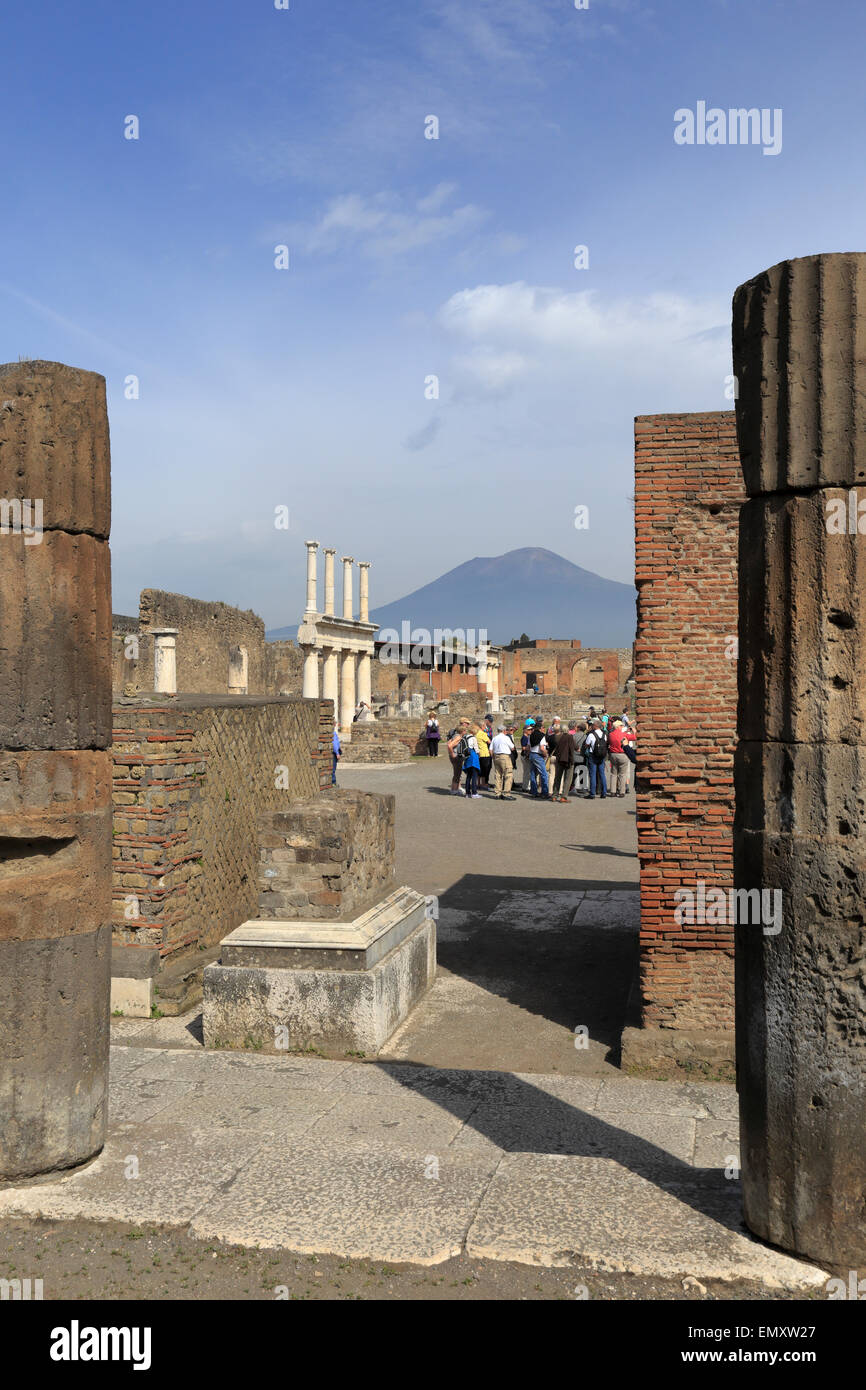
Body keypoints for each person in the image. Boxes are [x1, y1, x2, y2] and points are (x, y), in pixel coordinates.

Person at [490, 725, 516, 799]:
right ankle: (506, 793)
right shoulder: (506, 738)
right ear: (504, 731)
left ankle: (497, 793)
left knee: (498, 775)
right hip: (504, 756)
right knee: (508, 774)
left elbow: (490, 749)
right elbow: (512, 747)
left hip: (496, 756)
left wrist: (493, 757)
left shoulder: (494, 738)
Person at [528, 720, 552, 799]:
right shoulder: (542, 736)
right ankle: (545, 793)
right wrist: (545, 754)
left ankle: (534, 792)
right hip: (538, 755)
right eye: (543, 727)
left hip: (532, 754)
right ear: (541, 728)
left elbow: (528, 747)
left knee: (533, 774)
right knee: (544, 774)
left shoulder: (530, 735)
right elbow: (542, 748)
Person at [584, 720, 608, 799]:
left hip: (593, 755)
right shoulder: (604, 734)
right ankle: (604, 792)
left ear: (595, 726)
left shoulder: (591, 734)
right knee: (602, 774)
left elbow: (587, 744)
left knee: (593, 774)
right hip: (602, 756)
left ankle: (592, 793)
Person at [552, 723, 576, 801]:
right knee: (568, 778)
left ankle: (554, 795)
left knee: (557, 777)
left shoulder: (556, 737)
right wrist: (572, 760)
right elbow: (572, 749)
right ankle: (563, 796)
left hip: (559, 759)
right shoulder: (570, 737)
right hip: (568, 759)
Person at [446, 719, 471, 795]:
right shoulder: (458, 737)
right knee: (457, 774)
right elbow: (449, 745)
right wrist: (452, 754)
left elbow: (448, 742)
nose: (465, 732)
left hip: (454, 756)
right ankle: (454, 790)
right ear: (462, 731)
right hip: (456, 757)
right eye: (465, 731)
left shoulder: (455, 735)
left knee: (456, 773)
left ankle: (454, 789)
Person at [608, 717, 630, 797]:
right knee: (622, 774)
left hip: (613, 754)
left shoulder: (610, 734)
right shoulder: (623, 734)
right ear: (617, 727)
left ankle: (613, 791)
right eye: (621, 726)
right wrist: (634, 732)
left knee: (614, 773)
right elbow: (634, 738)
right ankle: (622, 791)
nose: (622, 727)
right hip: (622, 754)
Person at [462, 727, 482, 799]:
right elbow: (476, 749)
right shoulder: (473, 738)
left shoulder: (465, 737)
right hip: (473, 757)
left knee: (468, 776)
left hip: (467, 757)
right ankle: (474, 793)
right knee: (474, 776)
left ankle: (467, 793)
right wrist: (480, 755)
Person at [474, 719, 492, 787]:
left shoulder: (476, 733)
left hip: (478, 753)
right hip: (484, 753)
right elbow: (489, 741)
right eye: (484, 726)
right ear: (482, 726)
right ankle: (483, 783)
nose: (485, 727)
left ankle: (478, 783)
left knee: (479, 768)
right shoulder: (483, 733)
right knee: (485, 769)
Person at [520, 719, 534, 791]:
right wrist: (530, 748)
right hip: (525, 756)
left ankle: (525, 785)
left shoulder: (527, 737)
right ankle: (525, 787)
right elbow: (523, 747)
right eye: (529, 730)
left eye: (531, 730)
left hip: (526, 755)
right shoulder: (524, 737)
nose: (530, 731)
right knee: (527, 772)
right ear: (525, 730)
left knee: (527, 771)